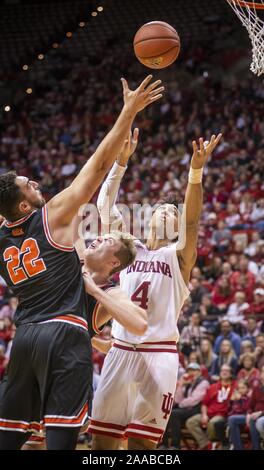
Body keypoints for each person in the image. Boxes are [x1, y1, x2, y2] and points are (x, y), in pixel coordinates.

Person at [0, 75, 163, 450]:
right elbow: (94, 168)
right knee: (57, 441)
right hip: (63, 334)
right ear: (24, 205)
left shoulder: (5, 231)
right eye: (29, 186)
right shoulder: (52, 218)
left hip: (24, 337)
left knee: (11, 437)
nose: (37, 183)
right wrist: (128, 111)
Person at [88, 130, 222, 450]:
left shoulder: (178, 257)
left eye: (172, 213)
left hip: (158, 354)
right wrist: (120, 163)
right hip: (120, 350)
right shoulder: (127, 248)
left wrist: (195, 172)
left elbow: (192, 221)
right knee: (101, 444)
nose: (166, 212)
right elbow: (104, 204)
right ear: (148, 221)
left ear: (176, 228)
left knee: (141, 447)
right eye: (161, 210)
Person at [185, 365, 236, 450]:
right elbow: (204, 404)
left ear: (231, 374)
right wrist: (204, 415)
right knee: (190, 422)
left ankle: (213, 443)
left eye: (227, 371)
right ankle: (206, 444)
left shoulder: (234, 387)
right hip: (209, 413)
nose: (224, 372)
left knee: (212, 423)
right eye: (222, 370)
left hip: (222, 414)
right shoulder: (213, 387)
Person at [161, 363, 209, 449]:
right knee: (166, 412)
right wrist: (181, 384)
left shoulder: (203, 382)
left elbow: (194, 400)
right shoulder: (188, 382)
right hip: (187, 409)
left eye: (194, 370)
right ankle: (164, 444)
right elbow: (177, 400)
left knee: (174, 414)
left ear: (199, 372)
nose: (191, 373)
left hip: (198, 409)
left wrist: (181, 404)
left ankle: (175, 445)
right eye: (189, 371)